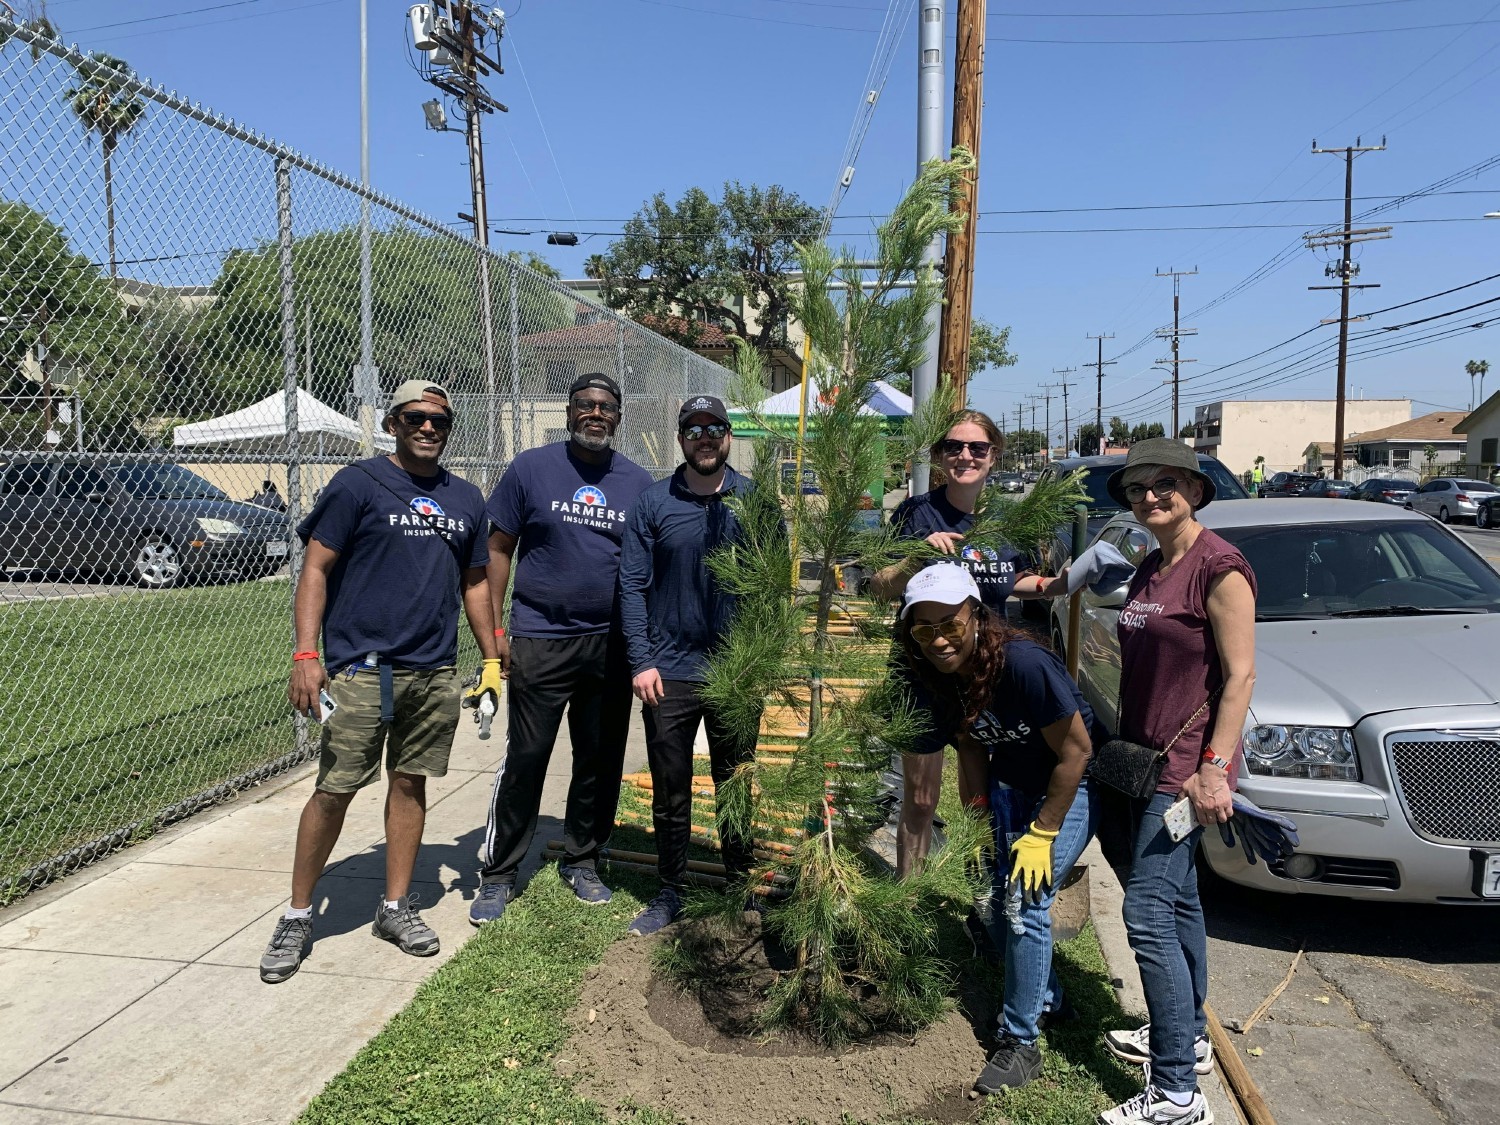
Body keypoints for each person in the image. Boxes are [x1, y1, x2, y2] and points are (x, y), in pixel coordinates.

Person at [259, 380, 499, 984]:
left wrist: (492, 657)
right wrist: (306, 653)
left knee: (411, 785)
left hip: (434, 670)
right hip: (360, 671)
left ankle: (395, 908)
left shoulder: (466, 498)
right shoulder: (357, 483)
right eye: (416, 417)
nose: (428, 428)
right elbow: (315, 567)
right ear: (393, 423)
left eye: (440, 420)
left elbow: (475, 582)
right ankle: (296, 915)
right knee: (335, 789)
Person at [1092, 438, 1256, 1125]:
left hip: (1186, 774)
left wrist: (1214, 769)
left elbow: (1240, 675)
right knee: (1182, 902)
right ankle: (1187, 1039)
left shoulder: (1219, 568)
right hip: (1148, 762)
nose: (1149, 497)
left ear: (1193, 485)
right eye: (1136, 488)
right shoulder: (1151, 566)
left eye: (1163, 484)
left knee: (1146, 913)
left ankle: (1177, 1095)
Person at [896, 562, 1102, 1094]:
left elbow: (1078, 752)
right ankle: (1050, 998)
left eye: (950, 625)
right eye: (924, 630)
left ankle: (1021, 1043)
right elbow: (969, 745)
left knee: (1022, 902)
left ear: (976, 616)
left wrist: (1043, 833)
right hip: (1008, 790)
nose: (939, 640)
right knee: (988, 896)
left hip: (1065, 789)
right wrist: (977, 816)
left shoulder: (1024, 663)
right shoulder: (943, 676)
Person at [470, 373, 654, 923]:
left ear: (618, 416)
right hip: (541, 637)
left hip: (611, 644)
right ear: (570, 412)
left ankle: (583, 859)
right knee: (527, 756)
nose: (595, 414)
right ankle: (499, 873)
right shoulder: (531, 467)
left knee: (599, 759)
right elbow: (498, 547)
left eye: (605, 407)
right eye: (584, 406)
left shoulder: (639, 482)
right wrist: (497, 632)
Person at [869, 411, 1048, 877]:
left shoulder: (1008, 519)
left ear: (995, 456)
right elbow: (879, 585)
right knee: (922, 797)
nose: (965, 455)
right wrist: (916, 558)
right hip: (922, 667)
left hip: (985, 670)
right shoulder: (914, 513)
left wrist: (1063, 582)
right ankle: (908, 899)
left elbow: (1015, 580)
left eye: (977, 448)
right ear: (938, 456)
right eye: (954, 447)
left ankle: (985, 891)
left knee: (982, 794)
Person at [617, 394, 770, 936]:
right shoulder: (654, 503)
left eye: (714, 428)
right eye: (693, 429)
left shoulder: (756, 503)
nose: (704, 438)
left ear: (728, 436)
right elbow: (632, 587)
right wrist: (642, 661)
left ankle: (739, 885)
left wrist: (760, 659)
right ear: (681, 439)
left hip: (736, 670)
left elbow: (772, 589)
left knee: (734, 783)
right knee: (670, 785)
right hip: (670, 671)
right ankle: (671, 889)